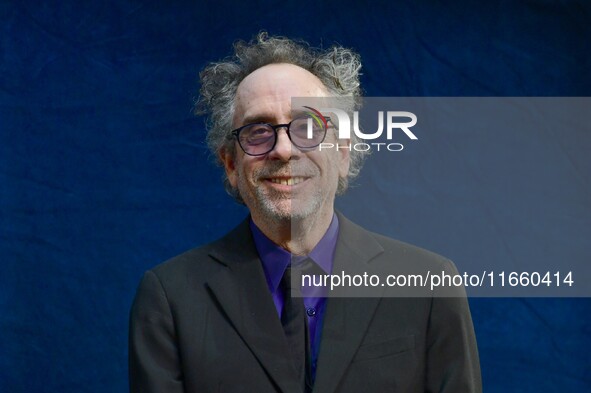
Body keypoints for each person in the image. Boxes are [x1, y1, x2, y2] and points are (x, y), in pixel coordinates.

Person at [129, 32, 482, 393]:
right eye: (257, 131)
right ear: (231, 164)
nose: (283, 150)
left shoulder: (429, 283)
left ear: (343, 153)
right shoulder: (170, 298)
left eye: (307, 127)